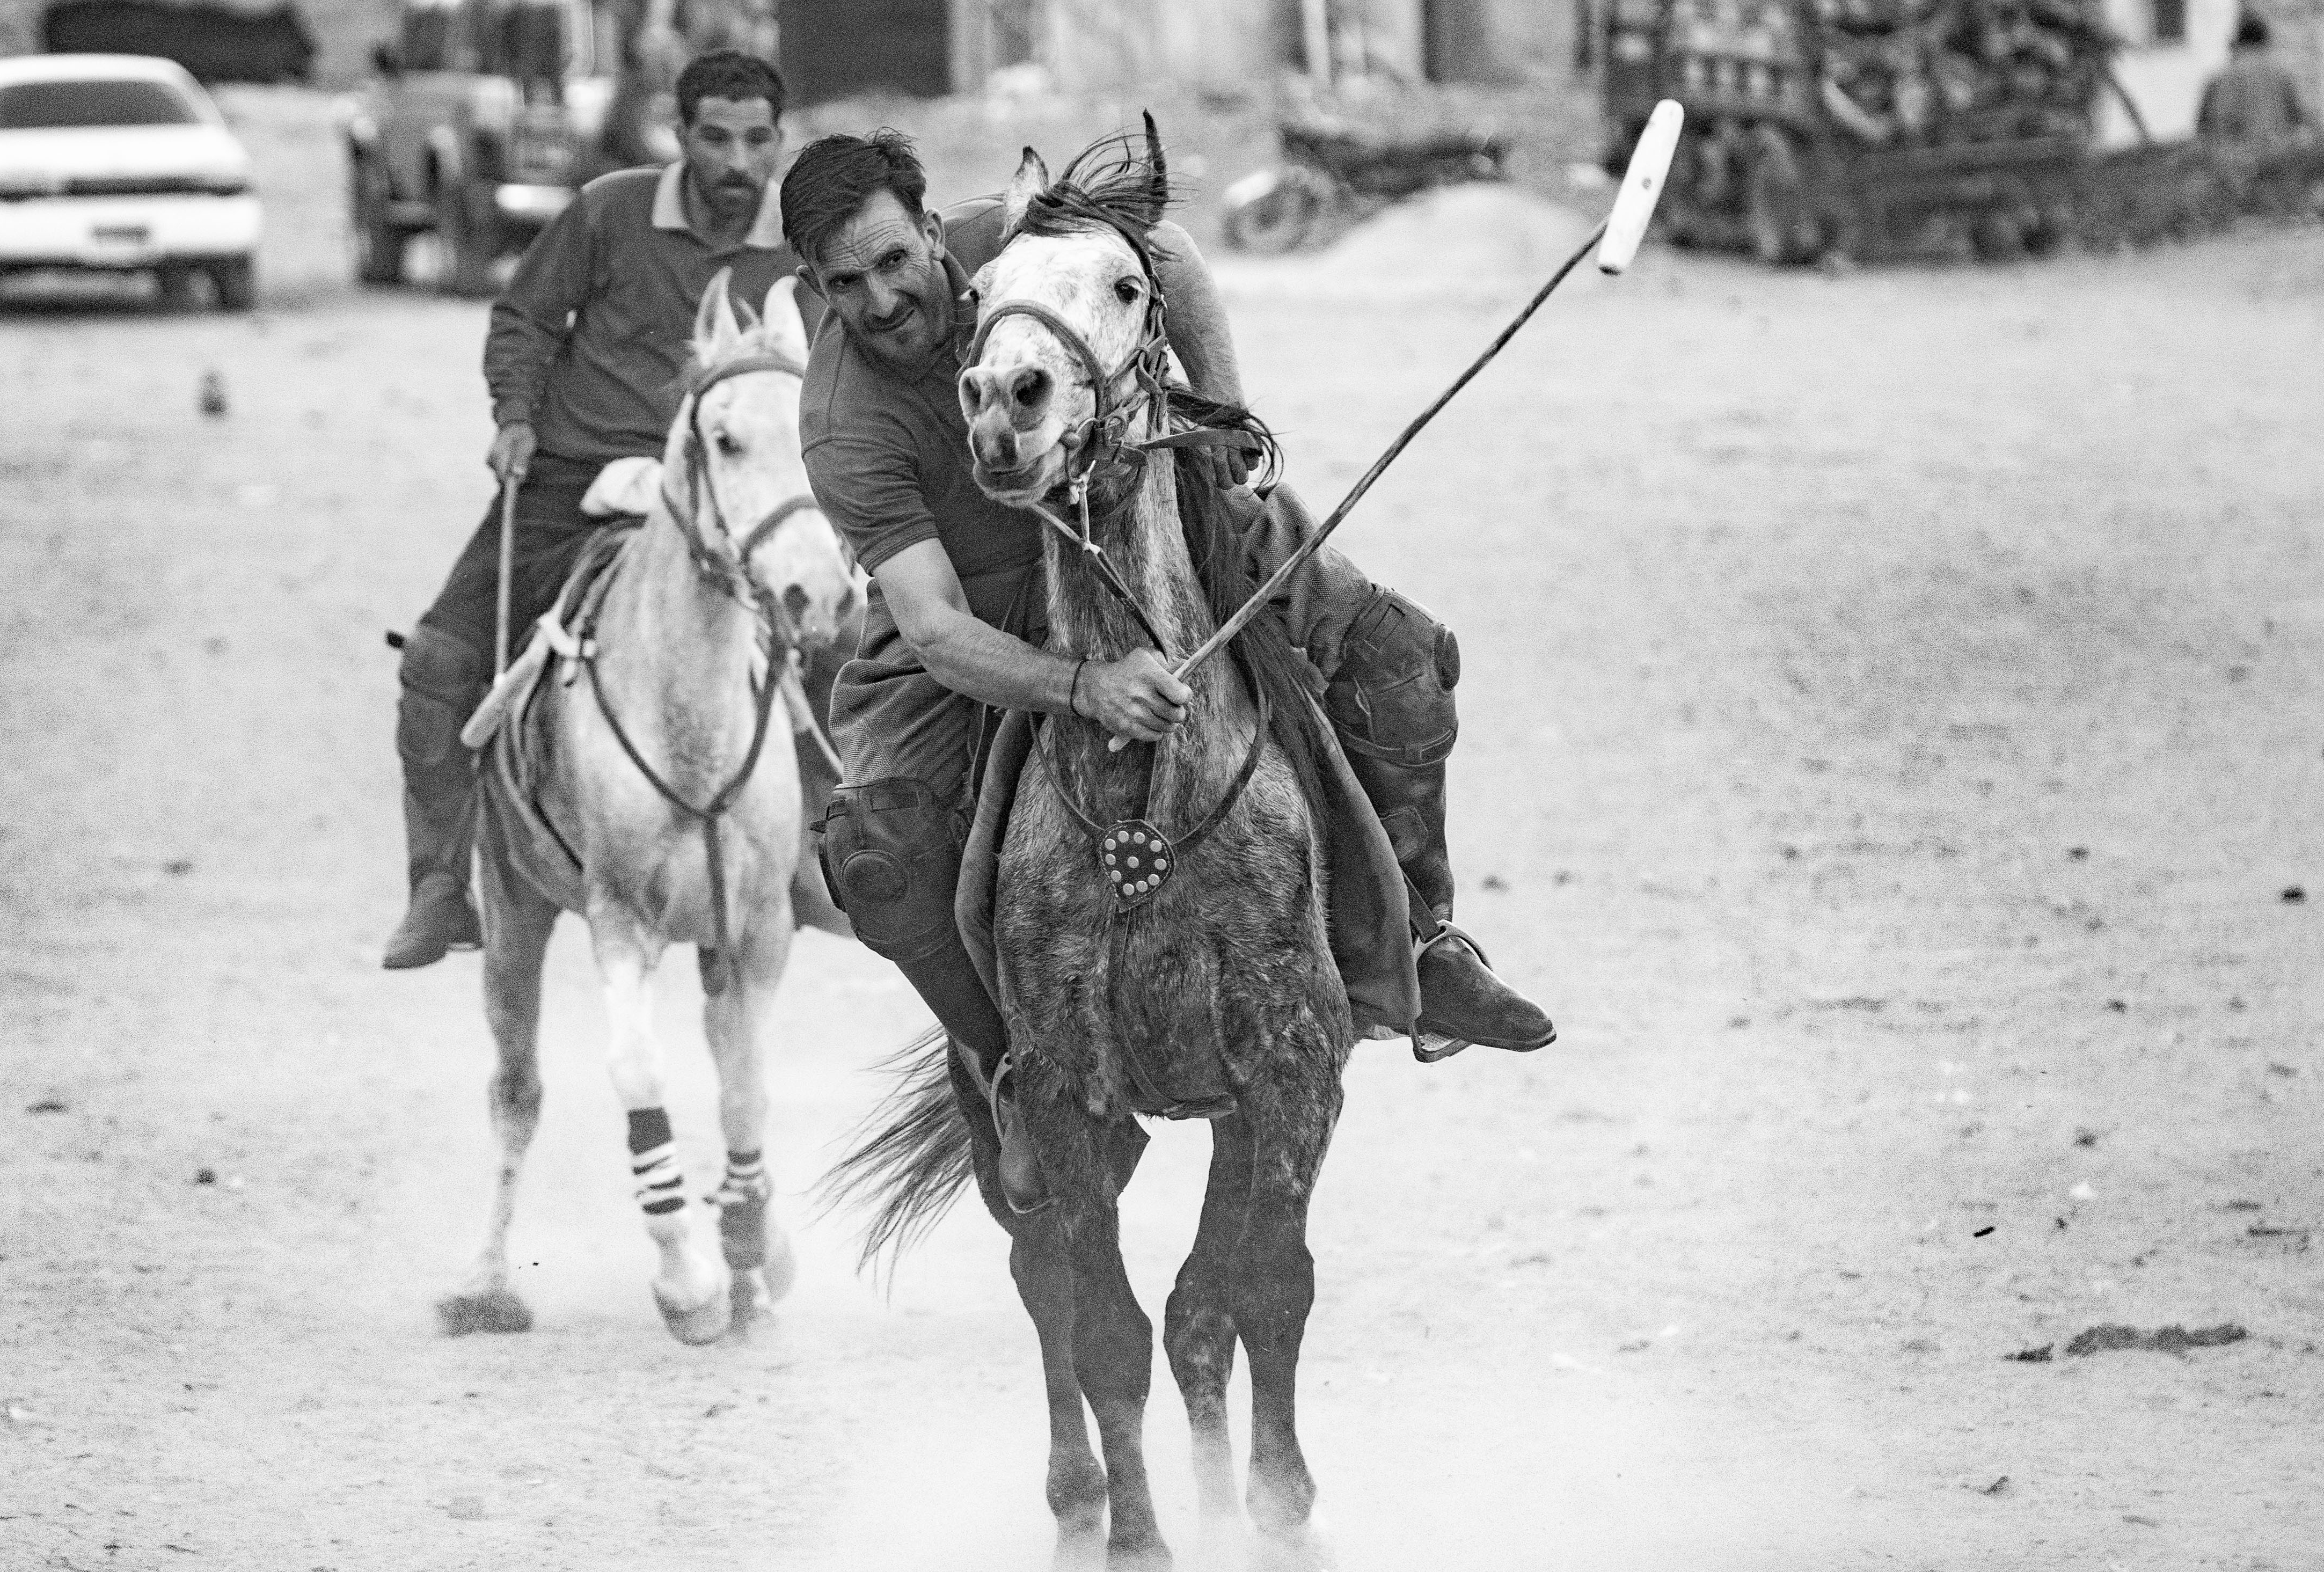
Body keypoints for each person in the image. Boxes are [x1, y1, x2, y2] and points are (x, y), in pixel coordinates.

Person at [784, 129, 1554, 1200]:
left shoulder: (1017, 245)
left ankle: (1423, 945)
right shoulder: (841, 421)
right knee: (878, 854)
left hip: (1154, 517)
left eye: (893, 260)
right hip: (983, 604)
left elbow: (1175, 258)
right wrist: (1083, 685)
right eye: (845, 283)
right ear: (812, 287)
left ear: (928, 227)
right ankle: (1010, 1065)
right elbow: (935, 626)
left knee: (1401, 662)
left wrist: (1223, 412)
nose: (880, 299)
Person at [383, 48, 800, 969]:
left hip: (730, 497)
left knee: (846, 650)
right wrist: (515, 417)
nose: (737, 162)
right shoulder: (610, 211)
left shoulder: (799, 247)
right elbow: (525, 318)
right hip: (570, 482)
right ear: (679, 135)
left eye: (756, 140)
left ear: (780, 141)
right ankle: (439, 884)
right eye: (715, 138)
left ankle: (822, 864)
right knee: (438, 663)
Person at [2198, 13, 2315, 154]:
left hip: (2232, 159)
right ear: (2265, 41)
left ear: (2237, 42)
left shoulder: (2218, 80)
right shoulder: (2281, 77)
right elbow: (2299, 122)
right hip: (2275, 157)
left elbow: (2203, 130)